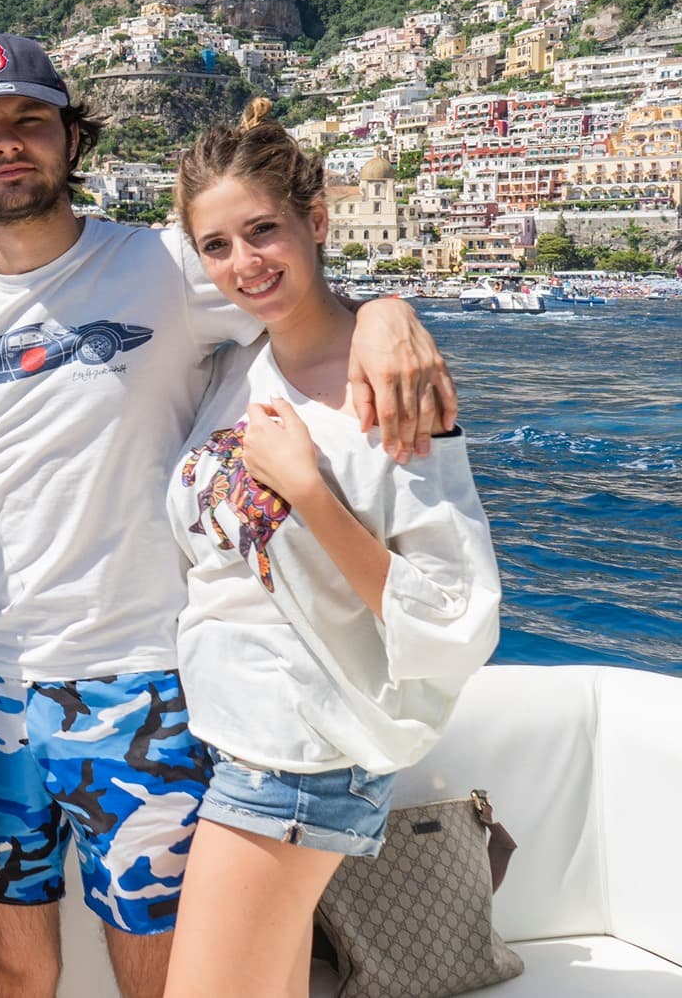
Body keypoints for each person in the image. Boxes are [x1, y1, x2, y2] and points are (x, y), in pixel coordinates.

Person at [0, 33, 455, 998]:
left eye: (29, 119)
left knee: (157, 970)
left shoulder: (167, 268)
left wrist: (390, 309)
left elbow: (296, 295)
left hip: (144, 684)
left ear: (72, 135)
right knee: (7, 969)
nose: (5, 143)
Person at [161, 102, 501, 998]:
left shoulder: (388, 384)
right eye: (217, 245)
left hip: (302, 758)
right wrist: (390, 301)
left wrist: (309, 489)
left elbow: (455, 614)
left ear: (316, 221)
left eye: (264, 230)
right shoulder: (239, 367)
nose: (244, 264)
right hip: (245, 738)